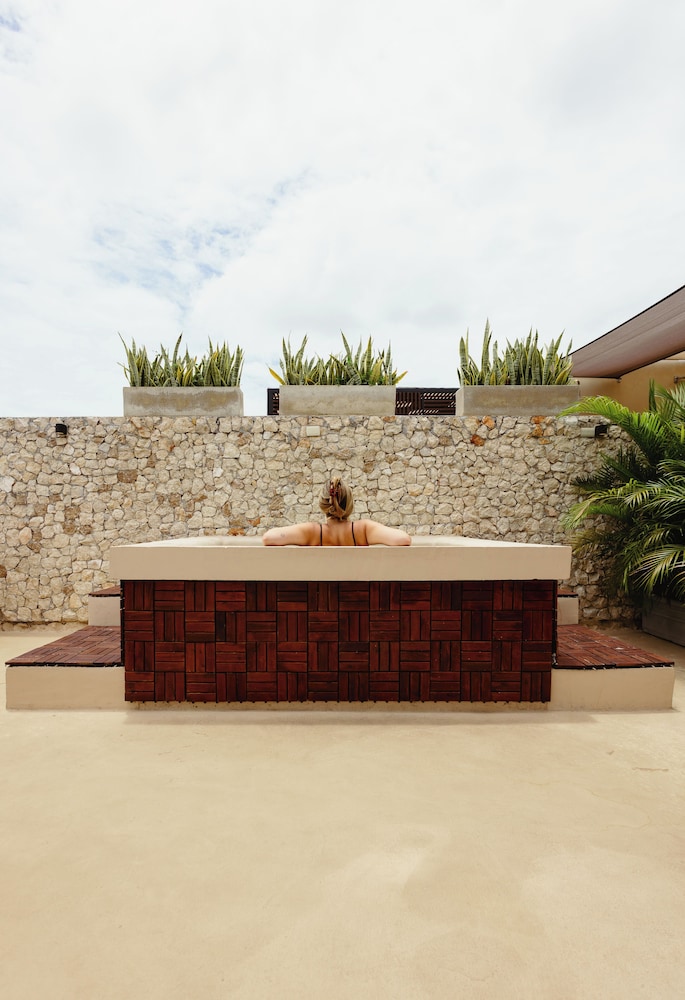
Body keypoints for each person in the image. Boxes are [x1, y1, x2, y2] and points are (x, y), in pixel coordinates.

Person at [262, 477, 411, 546]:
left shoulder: (312, 532)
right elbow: (403, 539)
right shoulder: (363, 529)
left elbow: (269, 537)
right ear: (349, 503)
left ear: (323, 504)